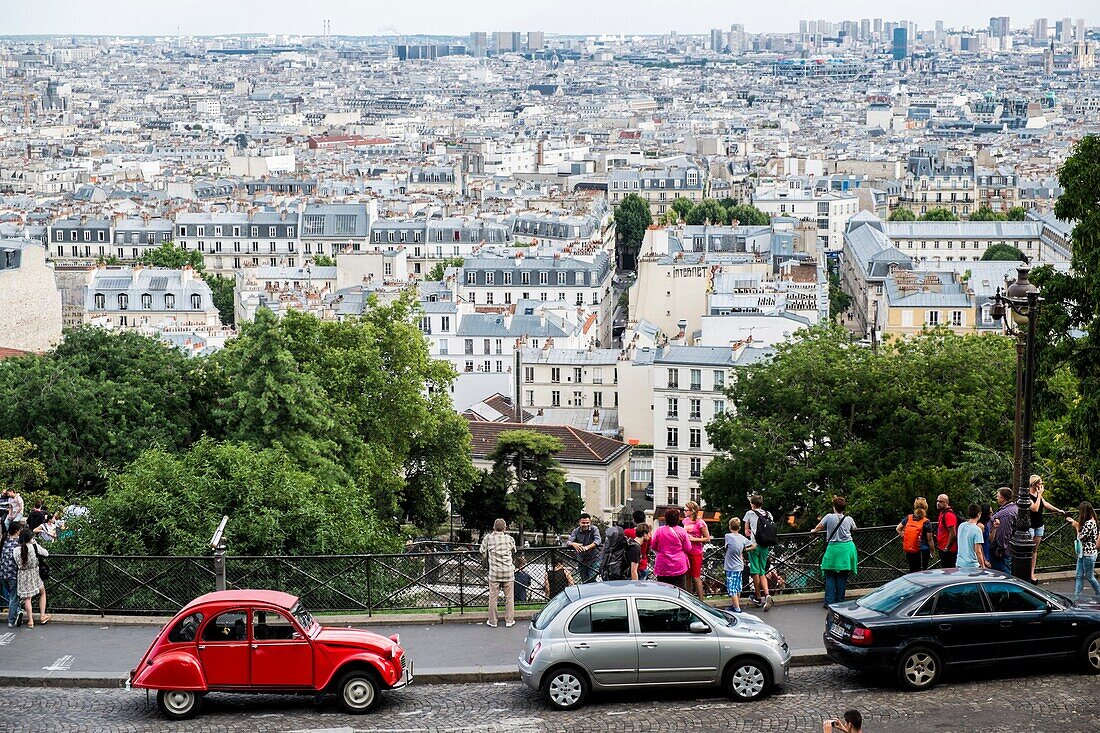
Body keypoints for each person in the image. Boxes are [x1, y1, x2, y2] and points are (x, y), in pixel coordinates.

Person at [813, 496, 858, 607]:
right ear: (844, 508)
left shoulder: (829, 517)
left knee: (830, 575)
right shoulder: (849, 518)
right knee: (842, 576)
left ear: (834, 507)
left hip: (834, 548)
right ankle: (840, 602)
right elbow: (855, 528)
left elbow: (818, 527)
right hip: (847, 549)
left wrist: (813, 530)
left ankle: (829, 602)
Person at [1028, 475, 1066, 583]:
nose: (1041, 486)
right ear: (1034, 485)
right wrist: (1039, 495)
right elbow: (1034, 508)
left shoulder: (1038, 495)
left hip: (1039, 524)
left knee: (1035, 550)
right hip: (1030, 525)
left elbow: (1045, 504)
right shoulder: (1028, 496)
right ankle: (1025, 572)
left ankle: (1032, 572)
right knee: (1028, 550)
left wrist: (1058, 510)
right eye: (1040, 484)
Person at [479, 518, 516, 628]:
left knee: (493, 598)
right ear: (505, 528)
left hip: (494, 573)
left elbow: (481, 551)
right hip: (508, 572)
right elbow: (514, 550)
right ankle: (509, 620)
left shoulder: (488, 538)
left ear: (493, 527)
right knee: (509, 598)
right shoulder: (509, 539)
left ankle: (493, 621)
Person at [743, 495, 775, 611]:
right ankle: (767, 594)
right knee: (762, 571)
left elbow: (746, 531)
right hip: (765, 545)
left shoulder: (749, 514)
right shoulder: (768, 514)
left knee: (755, 571)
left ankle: (758, 597)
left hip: (754, 545)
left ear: (753, 504)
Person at [15, 527, 49, 627]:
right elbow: (46, 553)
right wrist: (35, 543)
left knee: (27, 599)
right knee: (42, 593)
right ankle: (42, 616)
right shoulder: (34, 547)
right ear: (30, 538)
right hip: (34, 573)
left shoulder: (16, 550)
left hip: (22, 575)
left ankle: (30, 621)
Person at [650, 507, 691, 589]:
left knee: (663, 591)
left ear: (666, 518)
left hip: (663, 565)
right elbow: (688, 548)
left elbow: (653, 546)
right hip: (678, 565)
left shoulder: (659, 531)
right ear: (677, 519)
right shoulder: (682, 531)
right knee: (679, 590)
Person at [1066, 501, 1100, 598]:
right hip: (1083, 553)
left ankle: (1098, 594)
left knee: (1089, 577)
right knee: (1079, 575)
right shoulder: (1091, 521)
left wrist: (1076, 526)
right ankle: (1077, 597)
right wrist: (1075, 523)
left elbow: (1081, 537)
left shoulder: (1090, 523)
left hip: (1088, 554)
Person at [723, 517, 755, 612]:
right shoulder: (742, 538)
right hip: (739, 565)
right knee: (737, 586)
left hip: (730, 566)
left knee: (731, 587)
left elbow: (727, 546)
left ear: (730, 527)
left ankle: (737, 608)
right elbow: (753, 545)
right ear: (739, 527)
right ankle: (735, 605)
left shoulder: (728, 536)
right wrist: (744, 549)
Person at [682, 501, 711, 601]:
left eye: (686, 510)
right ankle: (689, 599)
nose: (684, 512)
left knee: (696, 576)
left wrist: (694, 539)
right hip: (686, 551)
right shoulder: (684, 521)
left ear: (692, 511)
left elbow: (707, 538)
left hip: (696, 552)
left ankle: (701, 600)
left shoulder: (700, 522)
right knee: (687, 576)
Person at [896, 497, 933, 573]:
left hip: (911, 549)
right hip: (923, 550)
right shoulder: (926, 521)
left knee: (912, 570)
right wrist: (932, 551)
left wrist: (906, 537)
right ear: (926, 507)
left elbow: (898, 528)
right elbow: (929, 539)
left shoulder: (908, 518)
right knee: (922, 572)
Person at [988, 487, 1018, 574]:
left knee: (1003, 573)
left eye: (998, 496)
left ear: (1002, 498)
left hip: (1002, 551)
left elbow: (1004, 532)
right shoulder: (1014, 508)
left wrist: (1000, 548)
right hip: (1008, 548)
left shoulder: (1006, 513)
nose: (997, 498)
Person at [566, 514, 601, 583]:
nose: (585, 525)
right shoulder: (576, 531)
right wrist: (573, 544)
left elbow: (598, 541)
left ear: (590, 522)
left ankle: (593, 593)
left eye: (587, 523)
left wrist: (587, 547)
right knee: (584, 580)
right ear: (579, 522)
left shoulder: (594, 529)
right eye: (583, 523)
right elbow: (568, 542)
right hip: (581, 560)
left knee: (591, 579)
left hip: (594, 559)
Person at [1, 521, 21, 628]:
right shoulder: (18, 543)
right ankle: (11, 620)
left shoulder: (4, 540)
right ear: (17, 531)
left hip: (2, 574)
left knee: (11, 596)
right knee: (14, 597)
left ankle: (18, 611)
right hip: (13, 574)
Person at [956, 504, 987, 569]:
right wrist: (982, 566)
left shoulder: (961, 526)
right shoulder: (977, 530)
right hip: (972, 565)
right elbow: (978, 551)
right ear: (979, 514)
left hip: (960, 562)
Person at [623, 510, 652, 580]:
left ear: (634, 520)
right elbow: (649, 549)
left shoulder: (627, 532)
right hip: (642, 564)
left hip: (630, 565)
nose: (650, 535)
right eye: (649, 533)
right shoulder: (636, 547)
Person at [934, 494, 959, 569]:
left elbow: (953, 533)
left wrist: (947, 548)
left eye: (941, 501)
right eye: (937, 501)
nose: (938, 503)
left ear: (946, 503)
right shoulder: (942, 513)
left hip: (949, 550)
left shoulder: (948, 514)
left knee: (948, 570)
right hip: (943, 547)